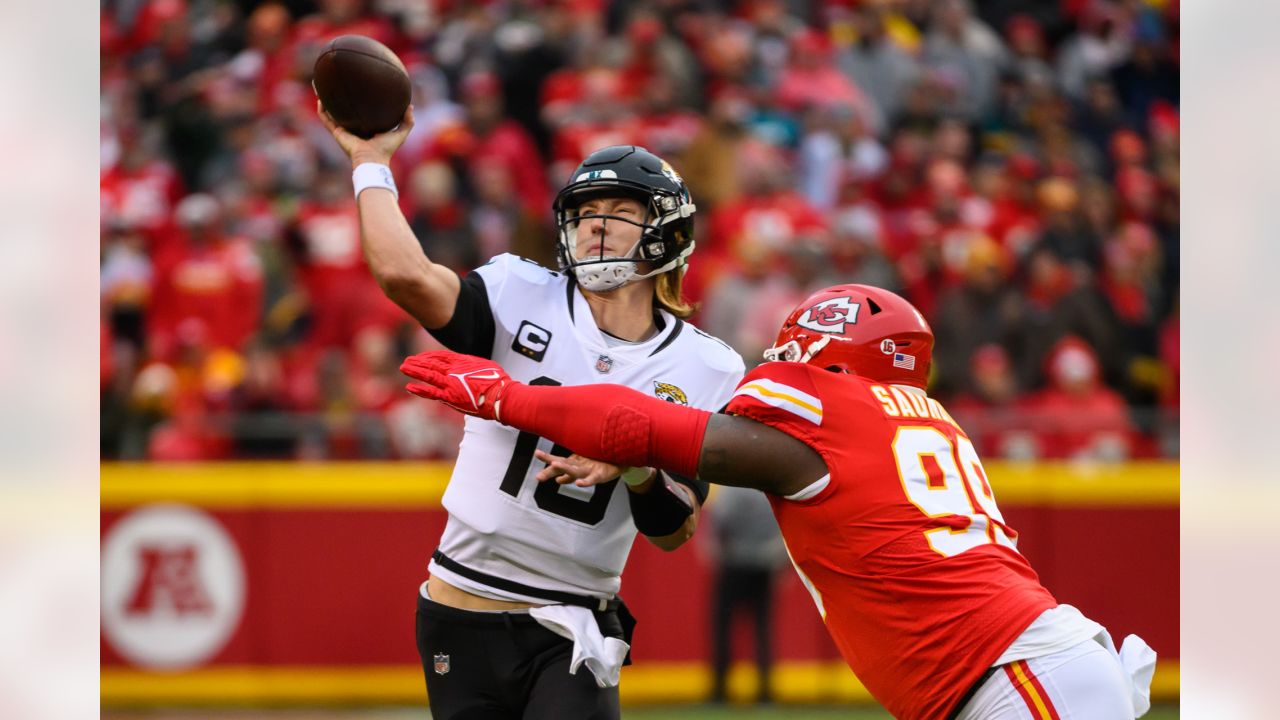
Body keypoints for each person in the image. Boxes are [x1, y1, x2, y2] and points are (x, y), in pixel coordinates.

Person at [399, 283, 1157, 720]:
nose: (781, 358)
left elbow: (642, 423)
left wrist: (505, 397)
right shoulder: (916, 418)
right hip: (1019, 672)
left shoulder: (825, 411)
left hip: (1010, 679)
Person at [319, 104, 744, 720]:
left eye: (621, 212)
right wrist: (370, 163)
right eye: (584, 212)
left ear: (668, 234)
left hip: (572, 620)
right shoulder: (519, 292)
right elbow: (404, 275)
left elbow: (676, 531)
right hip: (460, 605)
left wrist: (633, 465)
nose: (596, 226)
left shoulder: (706, 368)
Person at [703, 485, 786, 704]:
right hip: (763, 565)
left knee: (723, 627)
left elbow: (720, 522)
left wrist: (717, 553)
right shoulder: (769, 490)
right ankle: (765, 691)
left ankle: (720, 691)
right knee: (762, 628)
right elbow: (783, 528)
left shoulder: (732, 490)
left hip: (733, 564)